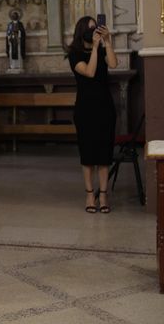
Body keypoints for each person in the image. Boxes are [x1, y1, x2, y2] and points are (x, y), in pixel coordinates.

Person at [67, 16, 117, 213]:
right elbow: (89, 71)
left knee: (104, 155)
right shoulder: (75, 54)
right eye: (90, 29)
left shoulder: (103, 48)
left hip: (105, 107)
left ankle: (103, 195)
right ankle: (90, 195)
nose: (94, 30)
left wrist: (108, 41)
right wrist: (95, 48)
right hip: (85, 109)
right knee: (88, 155)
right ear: (82, 32)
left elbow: (113, 64)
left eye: (95, 27)